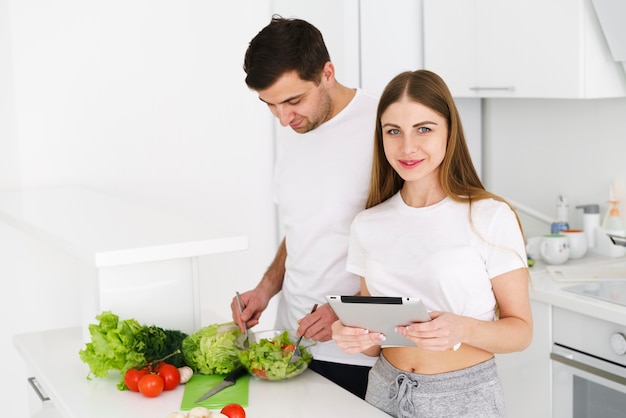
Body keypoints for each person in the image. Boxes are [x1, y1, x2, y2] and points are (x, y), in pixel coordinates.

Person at [331, 69, 533, 417]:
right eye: (394, 131)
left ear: (449, 132)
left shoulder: (489, 216)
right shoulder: (367, 224)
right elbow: (374, 340)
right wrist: (352, 334)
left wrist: (462, 327)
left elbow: (521, 332)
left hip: (464, 399)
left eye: (424, 129)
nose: (407, 147)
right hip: (383, 391)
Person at [230, 16, 378, 398]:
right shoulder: (297, 128)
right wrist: (266, 288)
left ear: (327, 73)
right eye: (271, 105)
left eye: (293, 101)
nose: (283, 119)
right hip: (288, 344)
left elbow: (407, 245)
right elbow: (302, 228)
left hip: (355, 353)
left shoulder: (384, 127)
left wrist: (349, 311)